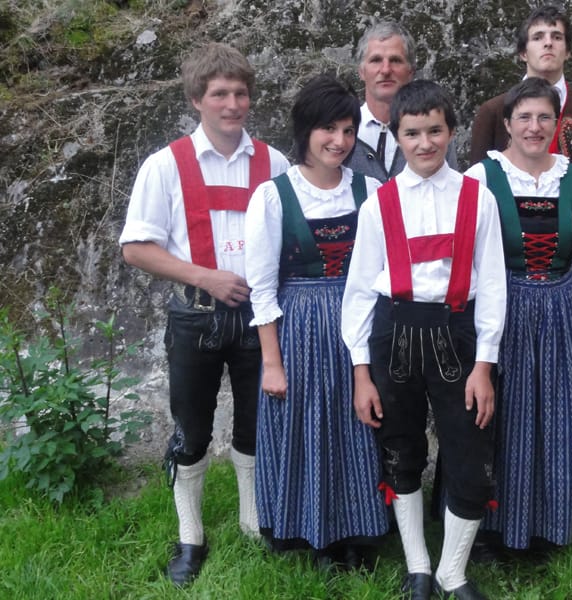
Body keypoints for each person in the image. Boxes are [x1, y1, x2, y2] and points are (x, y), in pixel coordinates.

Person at [119, 42, 290, 586]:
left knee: (257, 424)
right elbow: (135, 248)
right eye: (219, 94)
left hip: (259, 318)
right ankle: (190, 535)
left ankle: (252, 520)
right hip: (195, 316)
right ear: (197, 99)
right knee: (191, 429)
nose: (232, 104)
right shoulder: (165, 165)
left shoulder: (274, 163)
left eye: (240, 93)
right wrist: (205, 276)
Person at [342, 80, 507, 600]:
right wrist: (361, 371)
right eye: (412, 133)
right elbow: (359, 291)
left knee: (471, 451)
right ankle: (418, 567)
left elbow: (494, 285)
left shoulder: (478, 199)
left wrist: (484, 364)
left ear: (451, 132)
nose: (425, 143)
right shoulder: (379, 204)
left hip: (458, 335)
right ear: (397, 137)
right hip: (395, 335)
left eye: (435, 131)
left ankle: (452, 572)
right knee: (400, 450)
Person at [244, 74, 388, 569]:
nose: (339, 141)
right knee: (311, 428)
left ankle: (361, 531)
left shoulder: (371, 190)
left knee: (358, 425)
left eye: (348, 130)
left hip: (359, 322)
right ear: (305, 129)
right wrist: (272, 362)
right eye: (329, 129)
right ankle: (318, 534)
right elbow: (263, 286)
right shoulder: (273, 196)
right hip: (301, 328)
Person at [464, 77, 572, 554]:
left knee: (557, 413)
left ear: (556, 123)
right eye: (524, 117)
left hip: (559, 309)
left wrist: (553, 295)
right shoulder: (481, 179)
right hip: (503, 307)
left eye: (544, 117)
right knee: (502, 416)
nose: (534, 127)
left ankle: (552, 521)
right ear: (507, 124)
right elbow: (471, 256)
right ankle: (492, 526)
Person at [469, 4, 572, 310]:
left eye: (557, 37)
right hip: (505, 267)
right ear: (523, 52)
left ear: (568, 51)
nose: (548, 43)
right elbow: (476, 197)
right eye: (538, 37)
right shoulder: (493, 111)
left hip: (564, 263)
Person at [346, 21, 458, 182]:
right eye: (376, 60)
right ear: (361, 72)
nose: (385, 70)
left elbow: (451, 187)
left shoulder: (435, 132)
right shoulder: (342, 133)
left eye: (395, 60)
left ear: (411, 71)